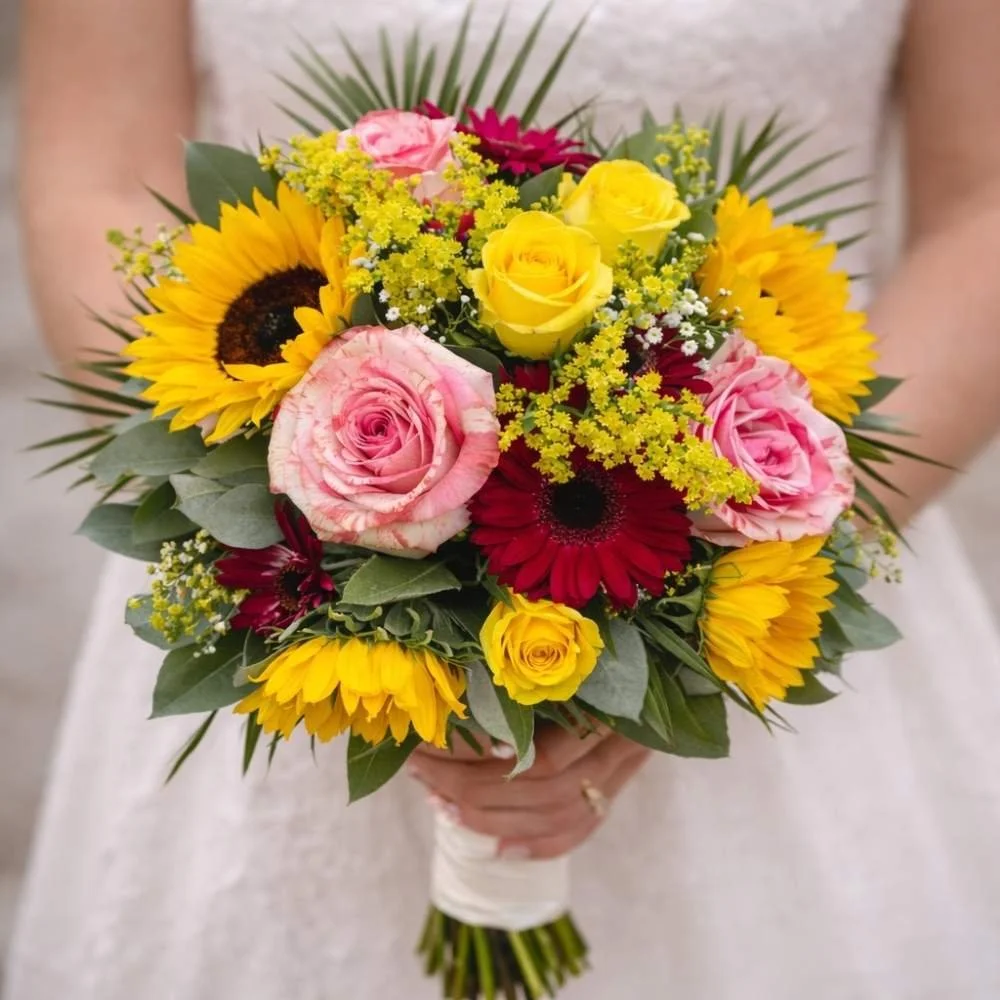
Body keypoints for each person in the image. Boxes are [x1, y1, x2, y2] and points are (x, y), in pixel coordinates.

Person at [7, 1, 1000, 997]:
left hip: (772, 576)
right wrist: (325, 536)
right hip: (297, 597)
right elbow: (95, 179)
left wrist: (703, 612)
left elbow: (981, 209)